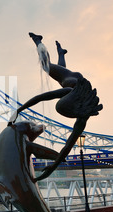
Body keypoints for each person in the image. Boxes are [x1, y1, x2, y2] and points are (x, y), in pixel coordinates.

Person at [10, 33, 103, 181]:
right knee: (46, 66)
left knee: (59, 70)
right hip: (71, 79)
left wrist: (53, 167)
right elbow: (41, 97)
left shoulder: (83, 115)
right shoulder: (70, 93)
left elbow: (67, 146)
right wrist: (18, 110)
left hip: (74, 80)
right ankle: (38, 40)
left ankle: (61, 52)